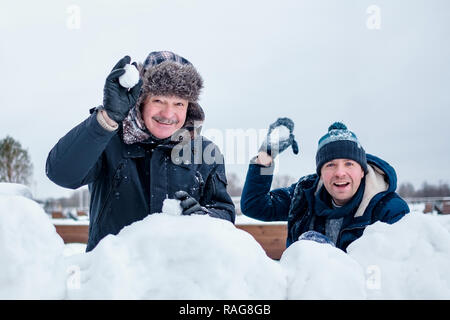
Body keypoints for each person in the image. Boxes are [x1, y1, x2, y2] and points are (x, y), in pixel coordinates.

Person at [46, 51, 235, 251]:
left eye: (178, 103)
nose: (168, 114)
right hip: (114, 276)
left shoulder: (205, 152)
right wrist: (106, 119)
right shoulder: (108, 140)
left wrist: (204, 219)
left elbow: (224, 212)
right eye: (159, 101)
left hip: (182, 277)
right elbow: (61, 173)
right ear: (142, 101)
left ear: (189, 107)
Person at [240, 119, 409, 252]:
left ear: (362, 171)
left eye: (349, 164)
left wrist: (332, 259)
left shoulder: (389, 210)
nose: (340, 173)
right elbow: (254, 205)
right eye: (330, 165)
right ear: (320, 173)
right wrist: (265, 157)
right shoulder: (304, 196)